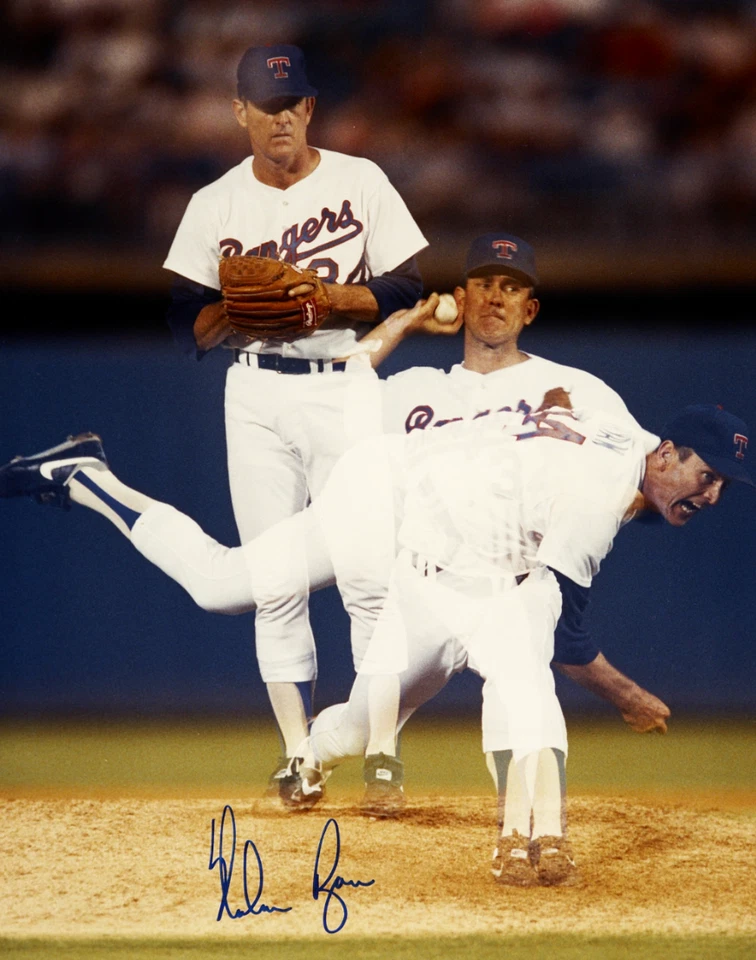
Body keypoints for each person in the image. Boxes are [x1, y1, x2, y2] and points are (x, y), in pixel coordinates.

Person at [2, 402, 748, 884]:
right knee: (501, 665)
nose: (711, 496)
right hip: (390, 508)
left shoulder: (633, 444)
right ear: (668, 453)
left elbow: (564, 421)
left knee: (339, 693)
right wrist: (628, 695)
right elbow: (569, 637)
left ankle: (311, 756)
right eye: (707, 477)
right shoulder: (597, 495)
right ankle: (529, 831)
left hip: (445, 540)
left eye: (724, 487)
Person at [161, 43, 428, 798]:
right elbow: (187, 326)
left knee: (370, 579)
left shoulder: (360, 179)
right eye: (264, 107)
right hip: (255, 394)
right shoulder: (213, 204)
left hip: (348, 381)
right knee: (276, 582)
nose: (280, 120)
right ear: (238, 112)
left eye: (292, 105)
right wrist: (240, 307)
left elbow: (408, 285)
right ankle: (297, 756)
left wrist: (326, 300)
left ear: (309, 108)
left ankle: (381, 752)